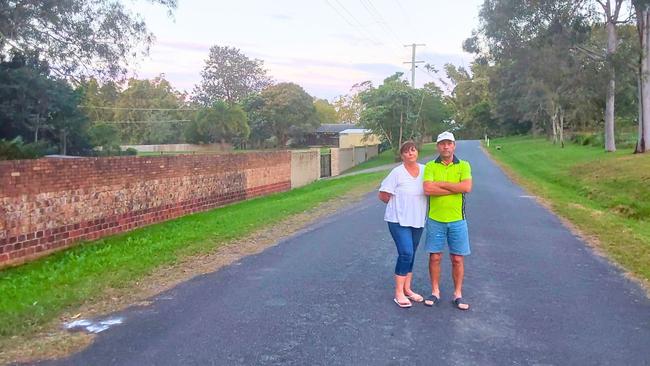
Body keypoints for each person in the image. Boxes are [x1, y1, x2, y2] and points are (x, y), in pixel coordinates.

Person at [422, 131, 473, 310]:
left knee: (457, 258)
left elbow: (466, 187)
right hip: (436, 219)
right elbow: (428, 189)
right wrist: (455, 188)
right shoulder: (430, 166)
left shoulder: (464, 165)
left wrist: (441, 184)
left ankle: (457, 294)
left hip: (458, 219)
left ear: (454, 145)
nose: (446, 146)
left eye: (449, 143)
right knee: (435, 257)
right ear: (438, 146)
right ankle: (435, 291)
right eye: (442, 143)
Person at [378, 141, 428, 308]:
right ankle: (398, 292)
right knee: (405, 252)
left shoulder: (425, 170)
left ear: (417, 153)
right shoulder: (397, 173)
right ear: (402, 156)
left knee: (412, 253)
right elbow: (383, 195)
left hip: (417, 219)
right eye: (406, 152)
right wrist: (398, 205)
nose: (410, 154)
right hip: (398, 220)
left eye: (413, 150)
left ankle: (408, 289)